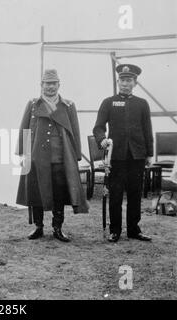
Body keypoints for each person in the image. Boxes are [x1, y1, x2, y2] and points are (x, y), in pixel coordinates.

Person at [16, 69, 89, 242]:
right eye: (47, 83)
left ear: (59, 85)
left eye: (53, 83)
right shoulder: (33, 104)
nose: (50, 87)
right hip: (37, 157)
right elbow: (24, 129)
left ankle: (57, 228)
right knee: (37, 193)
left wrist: (76, 155)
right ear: (41, 85)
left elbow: (75, 132)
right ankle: (39, 227)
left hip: (60, 157)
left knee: (59, 194)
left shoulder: (68, 105)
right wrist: (22, 154)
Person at [93, 64, 153, 242]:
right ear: (118, 81)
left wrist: (149, 153)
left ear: (135, 82)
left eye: (129, 80)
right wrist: (102, 139)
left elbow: (147, 130)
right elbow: (98, 127)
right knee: (116, 194)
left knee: (135, 194)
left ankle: (134, 230)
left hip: (137, 156)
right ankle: (115, 231)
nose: (125, 83)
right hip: (116, 157)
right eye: (122, 80)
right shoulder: (108, 102)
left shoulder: (142, 104)